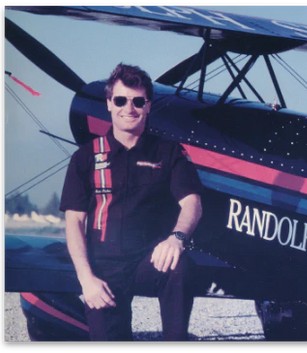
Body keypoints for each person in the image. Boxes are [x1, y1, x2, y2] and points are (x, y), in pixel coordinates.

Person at [60, 63, 203, 341]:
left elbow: (192, 202)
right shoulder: (85, 157)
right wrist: (86, 279)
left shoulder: (169, 151)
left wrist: (176, 238)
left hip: (150, 259)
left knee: (179, 266)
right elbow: (74, 221)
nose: (130, 108)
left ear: (148, 106)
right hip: (104, 266)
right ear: (109, 105)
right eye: (121, 100)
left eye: (138, 101)